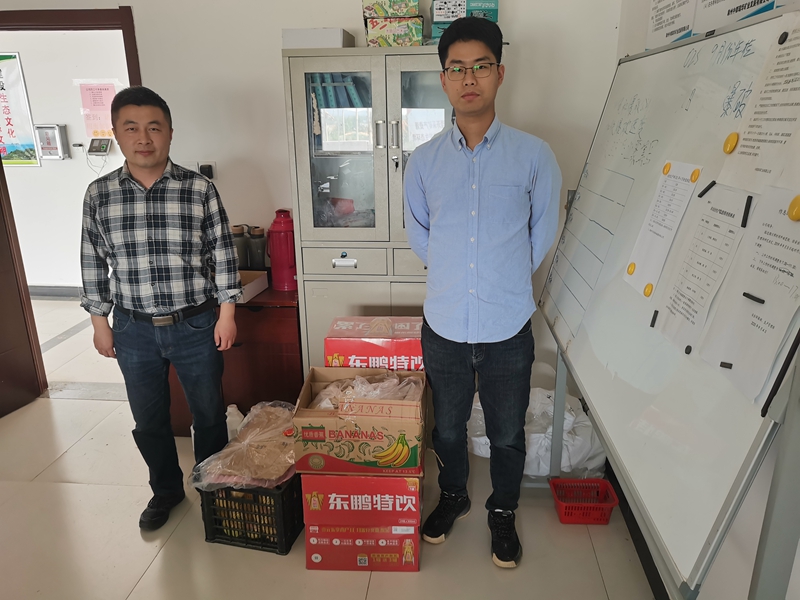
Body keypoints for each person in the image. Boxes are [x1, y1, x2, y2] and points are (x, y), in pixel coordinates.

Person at [404, 17, 562, 568]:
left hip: (507, 326)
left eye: (481, 66)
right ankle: (453, 497)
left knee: (506, 432)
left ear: (500, 73)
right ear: (443, 79)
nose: (469, 78)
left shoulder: (534, 156)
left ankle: (503, 509)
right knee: (447, 428)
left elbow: (541, 234)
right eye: (457, 68)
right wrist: (460, 277)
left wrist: (499, 279)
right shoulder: (423, 162)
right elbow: (421, 236)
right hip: (445, 325)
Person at [80, 86, 242, 531]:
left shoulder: (198, 189)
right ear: (116, 134)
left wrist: (227, 313)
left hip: (195, 323)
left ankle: (212, 488)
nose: (143, 138)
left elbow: (222, 252)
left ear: (170, 132)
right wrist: (99, 322)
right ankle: (166, 490)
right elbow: (93, 259)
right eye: (131, 128)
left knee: (208, 413)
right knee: (148, 419)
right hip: (132, 328)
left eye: (154, 128)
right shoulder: (99, 194)